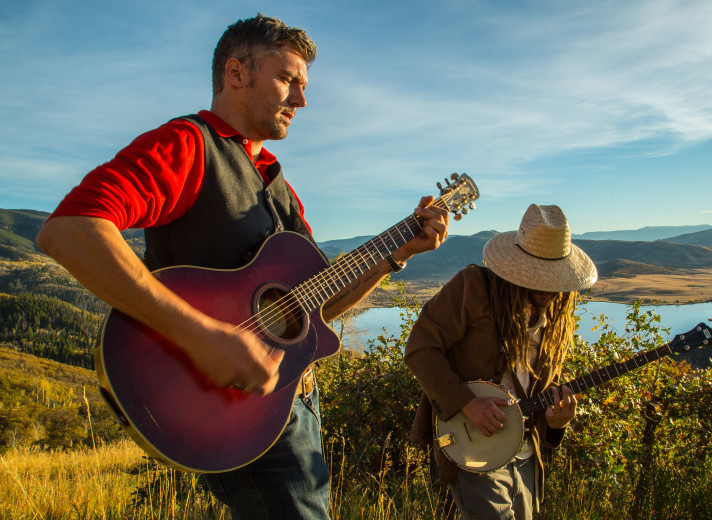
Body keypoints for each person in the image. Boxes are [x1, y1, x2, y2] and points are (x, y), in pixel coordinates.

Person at [36, 14, 449, 520]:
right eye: (288, 80)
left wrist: (397, 252)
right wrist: (203, 336)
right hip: (227, 405)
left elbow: (314, 306)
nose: (301, 100)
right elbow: (70, 230)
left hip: (289, 406)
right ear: (236, 73)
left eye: (303, 86)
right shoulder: (188, 146)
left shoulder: (278, 183)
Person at [404, 204, 597, 519]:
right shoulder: (474, 287)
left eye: (553, 279)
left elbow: (539, 387)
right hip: (473, 447)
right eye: (537, 277)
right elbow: (420, 349)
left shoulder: (559, 311)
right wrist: (467, 402)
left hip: (525, 454)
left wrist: (555, 423)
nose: (547, 288)